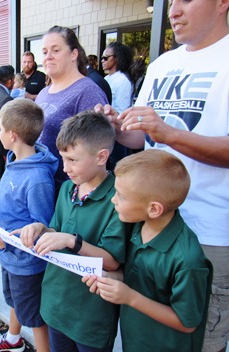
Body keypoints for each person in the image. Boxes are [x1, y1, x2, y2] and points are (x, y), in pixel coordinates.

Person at [98, 2, 229, 351]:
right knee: (144, 330)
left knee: (198, 337)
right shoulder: (163, 65)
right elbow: (143, 139)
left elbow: (165, 134)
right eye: (171, 2)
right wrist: (118, 128)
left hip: (208, 233)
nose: (173, 10)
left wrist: (170, 133)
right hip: (149, 225)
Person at [15, 111, 128, 352]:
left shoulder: (118, 200)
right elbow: (56, 229)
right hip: (56, 303)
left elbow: (112, 262)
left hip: (89, 316)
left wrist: (71, 241)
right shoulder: (68, 188)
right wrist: (40, 228)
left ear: (101, 157)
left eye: (73, 160)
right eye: (62, 158)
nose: (65, 168)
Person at [83, 149, 212, 352]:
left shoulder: (187, 260)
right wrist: (111, 278)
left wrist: (129, 297)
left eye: (121, 196)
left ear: (154, 209)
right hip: (134, 340)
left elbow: (187, 323)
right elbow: (135, 278)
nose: (113, 200)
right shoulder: (136, 225)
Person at [0, 99, 58, 352]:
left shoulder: (37, 178)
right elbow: (4, 201)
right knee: (16, 302)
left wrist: (7, 238)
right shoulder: (13, 161)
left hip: (26, 264)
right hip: (9, 257)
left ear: (12, 135)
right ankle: (13, 339)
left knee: (34, 317)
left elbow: (42, 227)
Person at [36, 25, 109, 191]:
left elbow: (97, 148)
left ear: (74, 54)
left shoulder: (87, 91)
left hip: (67, 189)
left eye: (56, 50)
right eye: (45, 52)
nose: (48, 57)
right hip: (41, 185)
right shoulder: (43, 93)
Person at [101, 42, 133, 113]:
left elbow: (122, 110)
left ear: (116, 58)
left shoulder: (122, 81)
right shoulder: (107, 78)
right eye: (102, 58)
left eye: (105, 58)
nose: (102, 60)